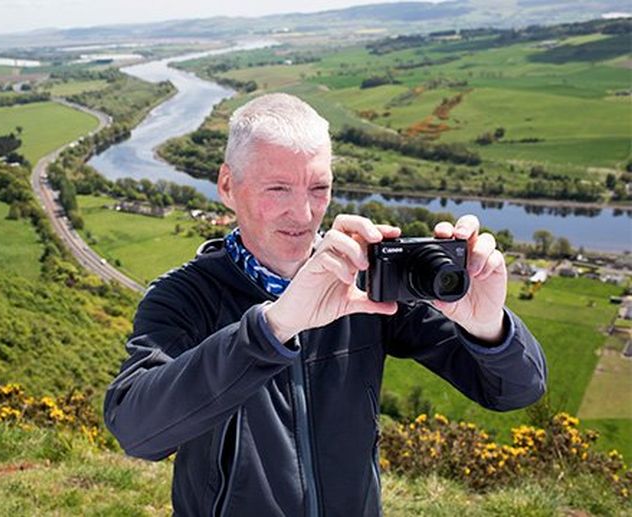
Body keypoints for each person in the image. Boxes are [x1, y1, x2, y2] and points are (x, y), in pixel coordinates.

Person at [103, 93, 548, 516]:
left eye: (319, 187)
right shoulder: (184, 297)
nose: (303, 213)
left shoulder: (364, 281)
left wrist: (489, 328)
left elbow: (516, 390)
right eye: (278, 188)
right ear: (227, 185)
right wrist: (272, 329)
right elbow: (137, 432)